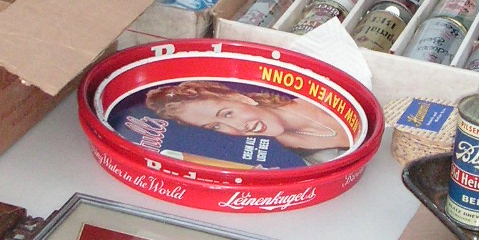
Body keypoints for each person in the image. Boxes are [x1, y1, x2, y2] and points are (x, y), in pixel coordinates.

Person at [144, 79, 350, 160]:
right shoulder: (293, 156)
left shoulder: (321, 94)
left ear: (241, 98)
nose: (237, 128)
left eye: (227, 114)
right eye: (216, 126)